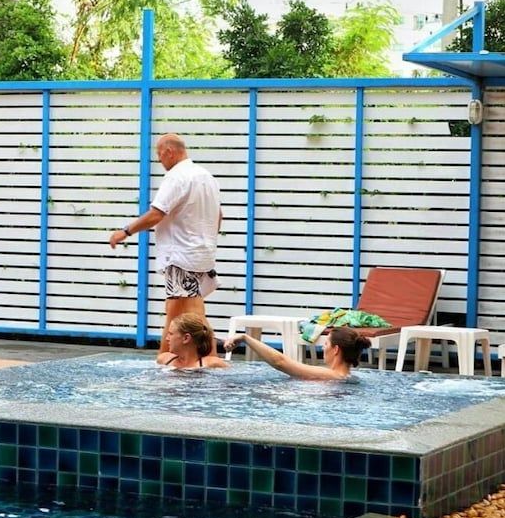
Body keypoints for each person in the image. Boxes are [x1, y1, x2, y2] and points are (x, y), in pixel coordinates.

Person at [108, 133, 222, 361]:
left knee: (192, 313)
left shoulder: (176, 177)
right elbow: (219, 216)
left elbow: (156, 214)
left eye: (159, 155)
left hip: (181, 255)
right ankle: (167, 359)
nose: (159, 160)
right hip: (202, 253)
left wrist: (125, 231)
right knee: (176, 312)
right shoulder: (207, 177)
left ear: (169, 152)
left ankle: (211, 361)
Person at [224, 326, 370, 381]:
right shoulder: (348, 378)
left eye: (326, 344)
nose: (323, 348)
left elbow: (280, 362)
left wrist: (245, 338)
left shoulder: (333, 376)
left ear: (336, 349)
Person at [156, 313, 229, 370]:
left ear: (186, 338)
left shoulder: (212, 364)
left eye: (171, 334)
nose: (167, 338)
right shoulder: (164, 360)